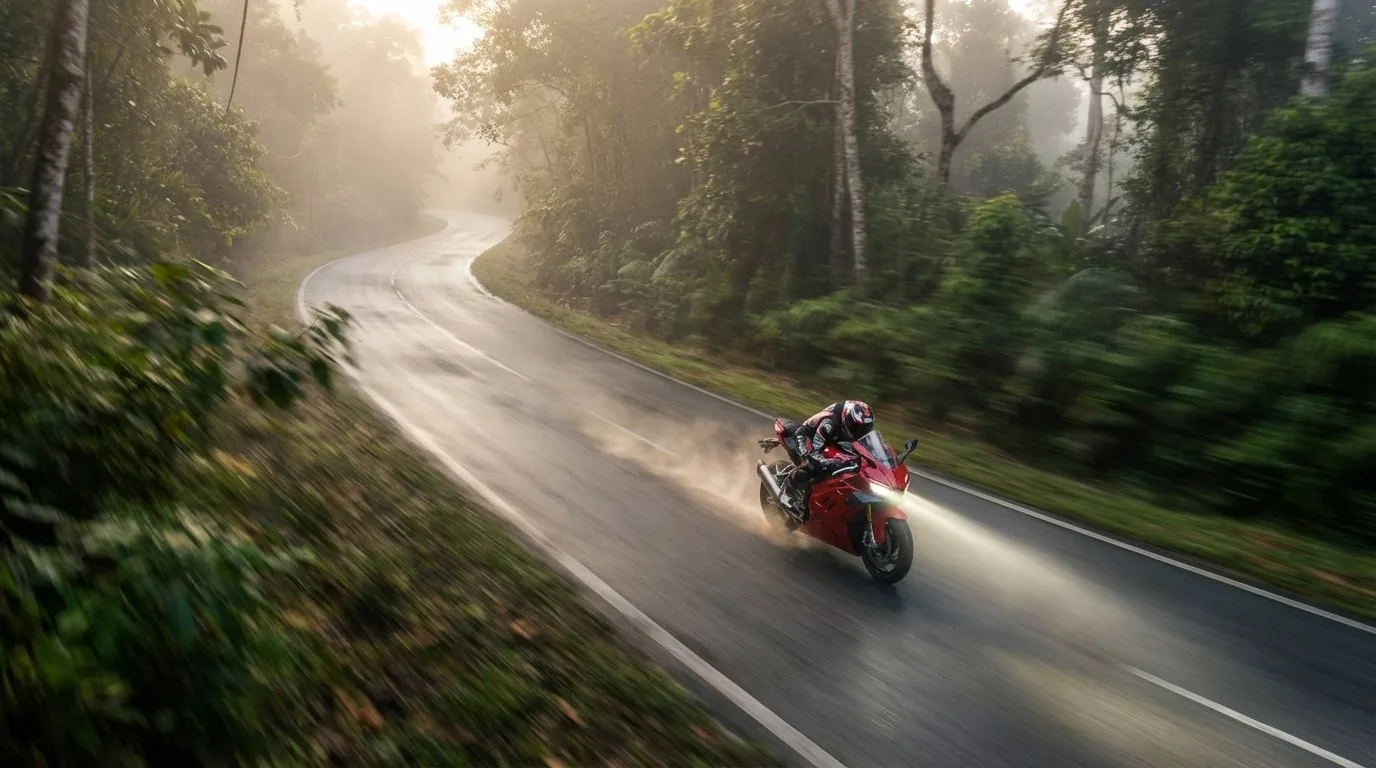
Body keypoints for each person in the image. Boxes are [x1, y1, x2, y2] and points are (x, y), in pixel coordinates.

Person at [777, 400, 875, 521]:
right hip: (808, 436)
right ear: (847, 420)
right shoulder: (829, 424)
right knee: (812, 464)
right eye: (857, 428)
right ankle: (786, 494)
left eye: (865, 429)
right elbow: (816, 449)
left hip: (833, 439)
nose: (860, 432)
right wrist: (825, 462)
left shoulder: (854, 419)